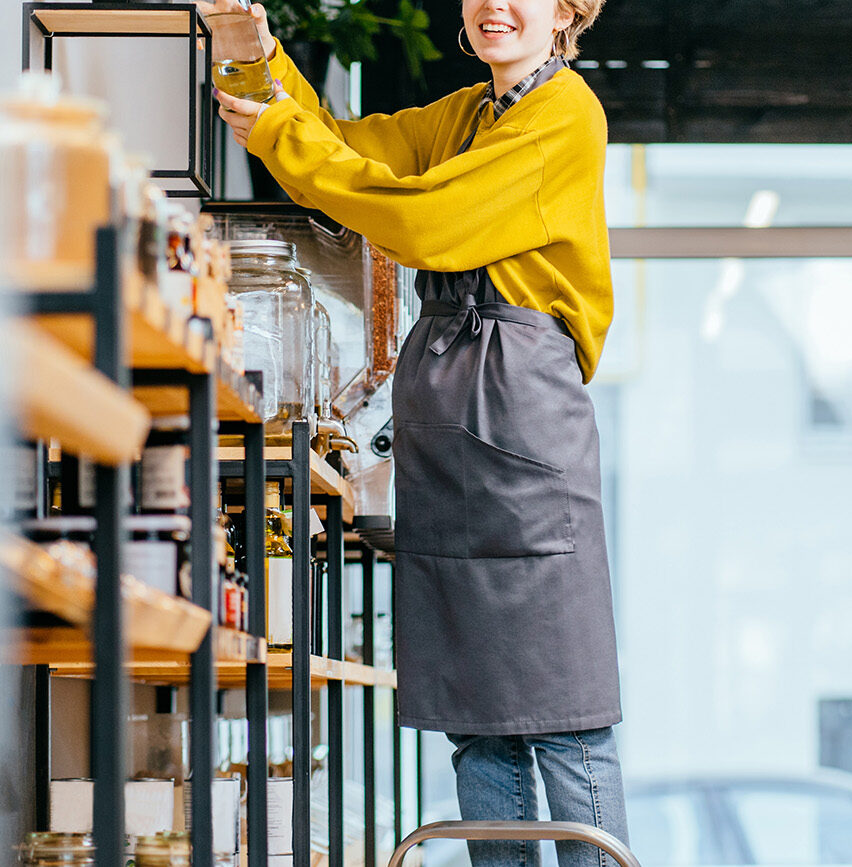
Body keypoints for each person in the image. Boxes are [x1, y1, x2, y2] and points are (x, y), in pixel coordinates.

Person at [210, 2, 626, 866]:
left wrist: (282, 134)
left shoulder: (565, 113)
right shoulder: (468, 114)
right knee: (472, 712)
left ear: (566, 11)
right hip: (445, 391)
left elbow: (423, 221)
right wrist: (262, 60)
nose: (494, 6)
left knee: (565, 712)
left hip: (518, 395)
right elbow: (340, 147)